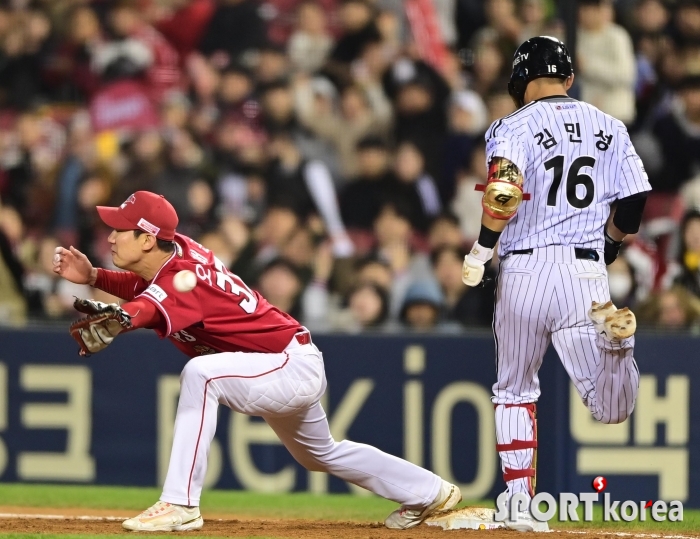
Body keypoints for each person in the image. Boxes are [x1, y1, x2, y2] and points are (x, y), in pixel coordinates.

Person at [52, 190, 461, 532]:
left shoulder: (183, 273)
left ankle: (180, 502)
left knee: (201, 375)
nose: (109, 236)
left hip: (288, 364)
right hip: (281, 362)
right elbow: (149, 288)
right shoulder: (174, 256)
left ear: (146, 239)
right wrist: (95, 277)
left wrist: (124, 318)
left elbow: (148, 305)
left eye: (119, 229)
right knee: (320, 454)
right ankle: (431, 492)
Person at [461, 37, 651, 531]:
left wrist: (482, 249)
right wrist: (607, 246)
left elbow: (503, 191)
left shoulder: (511, 125)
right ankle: (619, 344)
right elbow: (632, 206)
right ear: (568, 78)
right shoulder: (609, 125)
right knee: (610, 411)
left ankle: (520, 504)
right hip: (586, 275)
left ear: (521, 84)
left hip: (524, 270)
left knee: (515, 392)